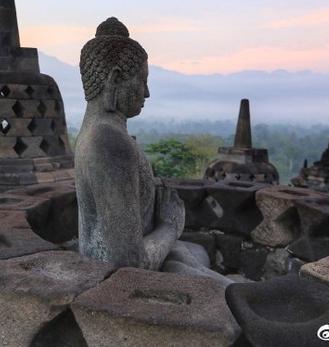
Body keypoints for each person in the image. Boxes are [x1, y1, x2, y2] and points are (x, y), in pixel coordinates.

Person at [74, 17, 228, 284]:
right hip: (116, 284)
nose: (147, 93)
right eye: (142, 80)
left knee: (197, 254)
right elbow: (129, 263)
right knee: (232, 289)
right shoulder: (109, 142)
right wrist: (170, 225)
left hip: (106, 268)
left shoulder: (94, 132)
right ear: (116, 79)